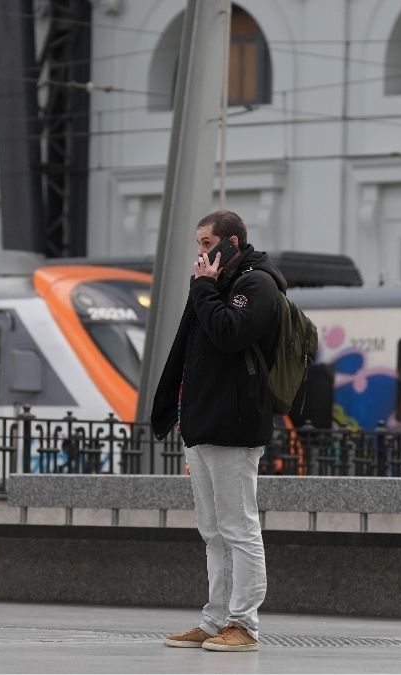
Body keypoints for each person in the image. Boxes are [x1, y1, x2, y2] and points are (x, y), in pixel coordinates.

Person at [152, 210, 285, 653]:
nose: (200, 253)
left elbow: (230, 333)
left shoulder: (257, 284)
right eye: (198, 244)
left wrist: (204, 289)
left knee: (239, 527)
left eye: (207, 243)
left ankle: (244, 624)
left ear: (231, 242)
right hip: (204, 422)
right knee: (211, 530)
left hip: (236, 423)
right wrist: (177, 411)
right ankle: (214, 619)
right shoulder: (213, 287)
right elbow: (188, 351)